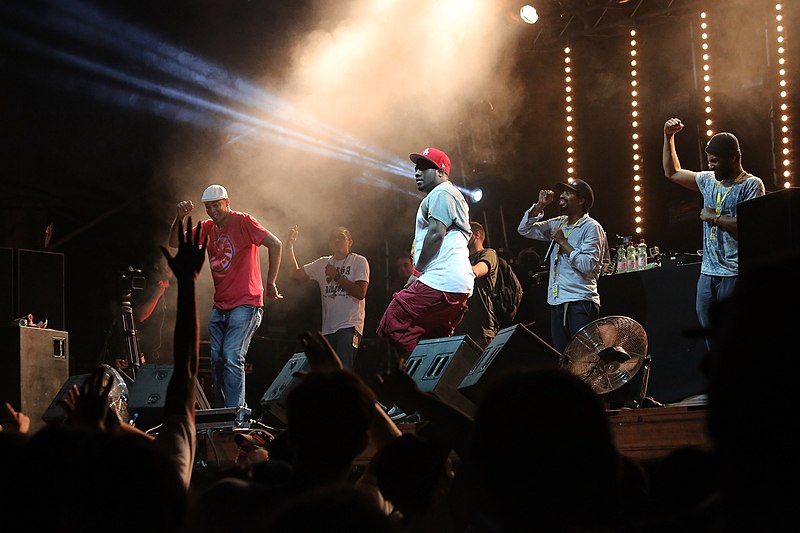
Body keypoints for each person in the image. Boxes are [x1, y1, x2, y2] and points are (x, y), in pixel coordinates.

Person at [169, 184, 283, 422]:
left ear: (227, 202)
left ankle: (236, 415)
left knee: (231, 355)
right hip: (221, 306)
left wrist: (271, 282)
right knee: (217, 360)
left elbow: (275, 243)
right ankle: (222, 414)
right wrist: (179, 218)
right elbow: (175, 242)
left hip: (246, 303)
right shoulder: (207, 228)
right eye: (208, 207)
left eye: (216, 205)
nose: (212, 211)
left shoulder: (243, 221)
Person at [662, 118, 765, 352]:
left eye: (716, 161)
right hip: (708, 273)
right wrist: (668, 137)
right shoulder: (708, 180)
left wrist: (714, 218)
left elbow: (751, 228)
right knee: (712, 337)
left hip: (735, 272)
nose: (711, 166)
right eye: (709, 161)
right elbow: (672, 172)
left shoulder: (751, 185)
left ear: (734, 158)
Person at [377, 147, 474, 365]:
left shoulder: (441, 193)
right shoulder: (452, 195)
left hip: (439, 281)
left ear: (441, 171)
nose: (417, 172)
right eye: (416, 168)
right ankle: (431, 390)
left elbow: (435, 235)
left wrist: (417, 272)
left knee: (393, 321)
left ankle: (410, 384)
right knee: (432, 342)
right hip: (457, 286)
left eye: (424, 167)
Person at [517, 178, 609, 352]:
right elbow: (524, 229)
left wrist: (562, 242)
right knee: (563, 357)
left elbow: (588, 264)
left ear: (581, 200)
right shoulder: (559, 222)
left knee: (584, 357)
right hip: (557, 301)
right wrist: (540, 206)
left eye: (568, 193)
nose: (562, 196)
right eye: (563, 192)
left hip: (580, 302)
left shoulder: (591, 227)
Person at [286, 225, 370, 370]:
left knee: (343, 370)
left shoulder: (359, 261)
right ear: (330, 244)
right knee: (326, 372)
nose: (337, 240)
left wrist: (336, 276)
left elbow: (360, 293)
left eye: (341, 237)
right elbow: (294, 274)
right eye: (334, 238)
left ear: (350, 241)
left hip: (349, 326)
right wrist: (289, 248)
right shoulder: (322, 263)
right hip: (327, 329)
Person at [454, 221, 499, 349]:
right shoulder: (463, 259)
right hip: (462, 330)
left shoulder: (488, 253)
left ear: (476, 235)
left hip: (481, 329)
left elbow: (477, 271)